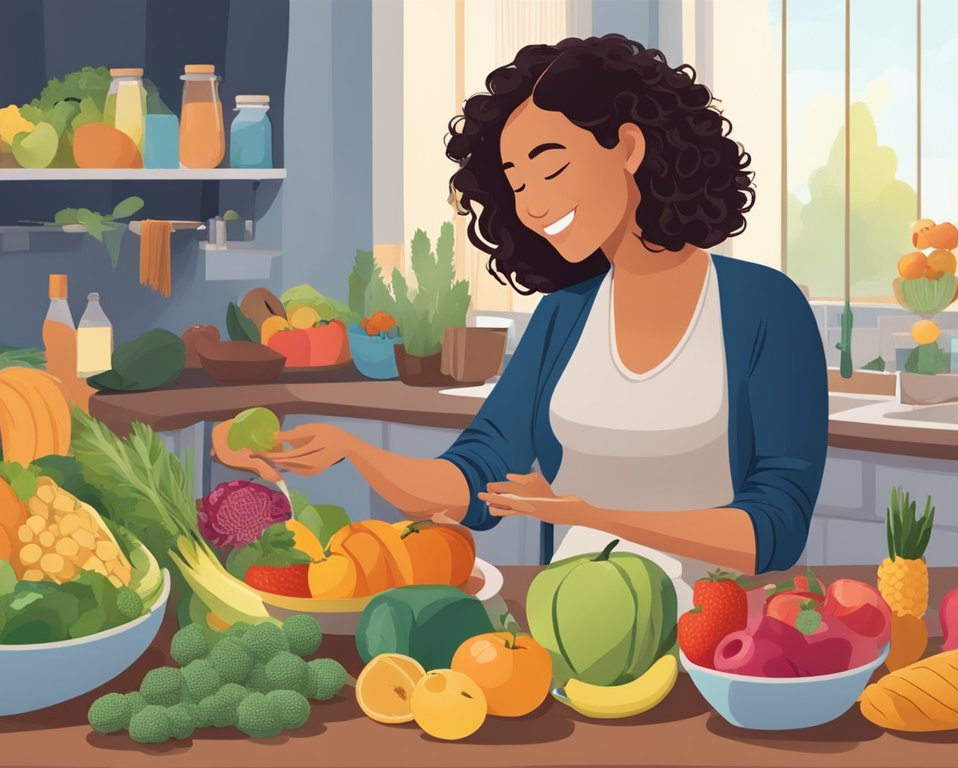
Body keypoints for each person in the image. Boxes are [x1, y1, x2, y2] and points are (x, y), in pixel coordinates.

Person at [215, 34, 827, 594]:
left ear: (630, 148)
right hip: (568, 632)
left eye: (552, 166)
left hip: (722, 640)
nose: (532, 205)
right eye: (517, 182)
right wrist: (352, 450)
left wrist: (591, 515)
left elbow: (775, 529)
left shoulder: (763, 308)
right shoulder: (566, 317)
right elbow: (478, 478)